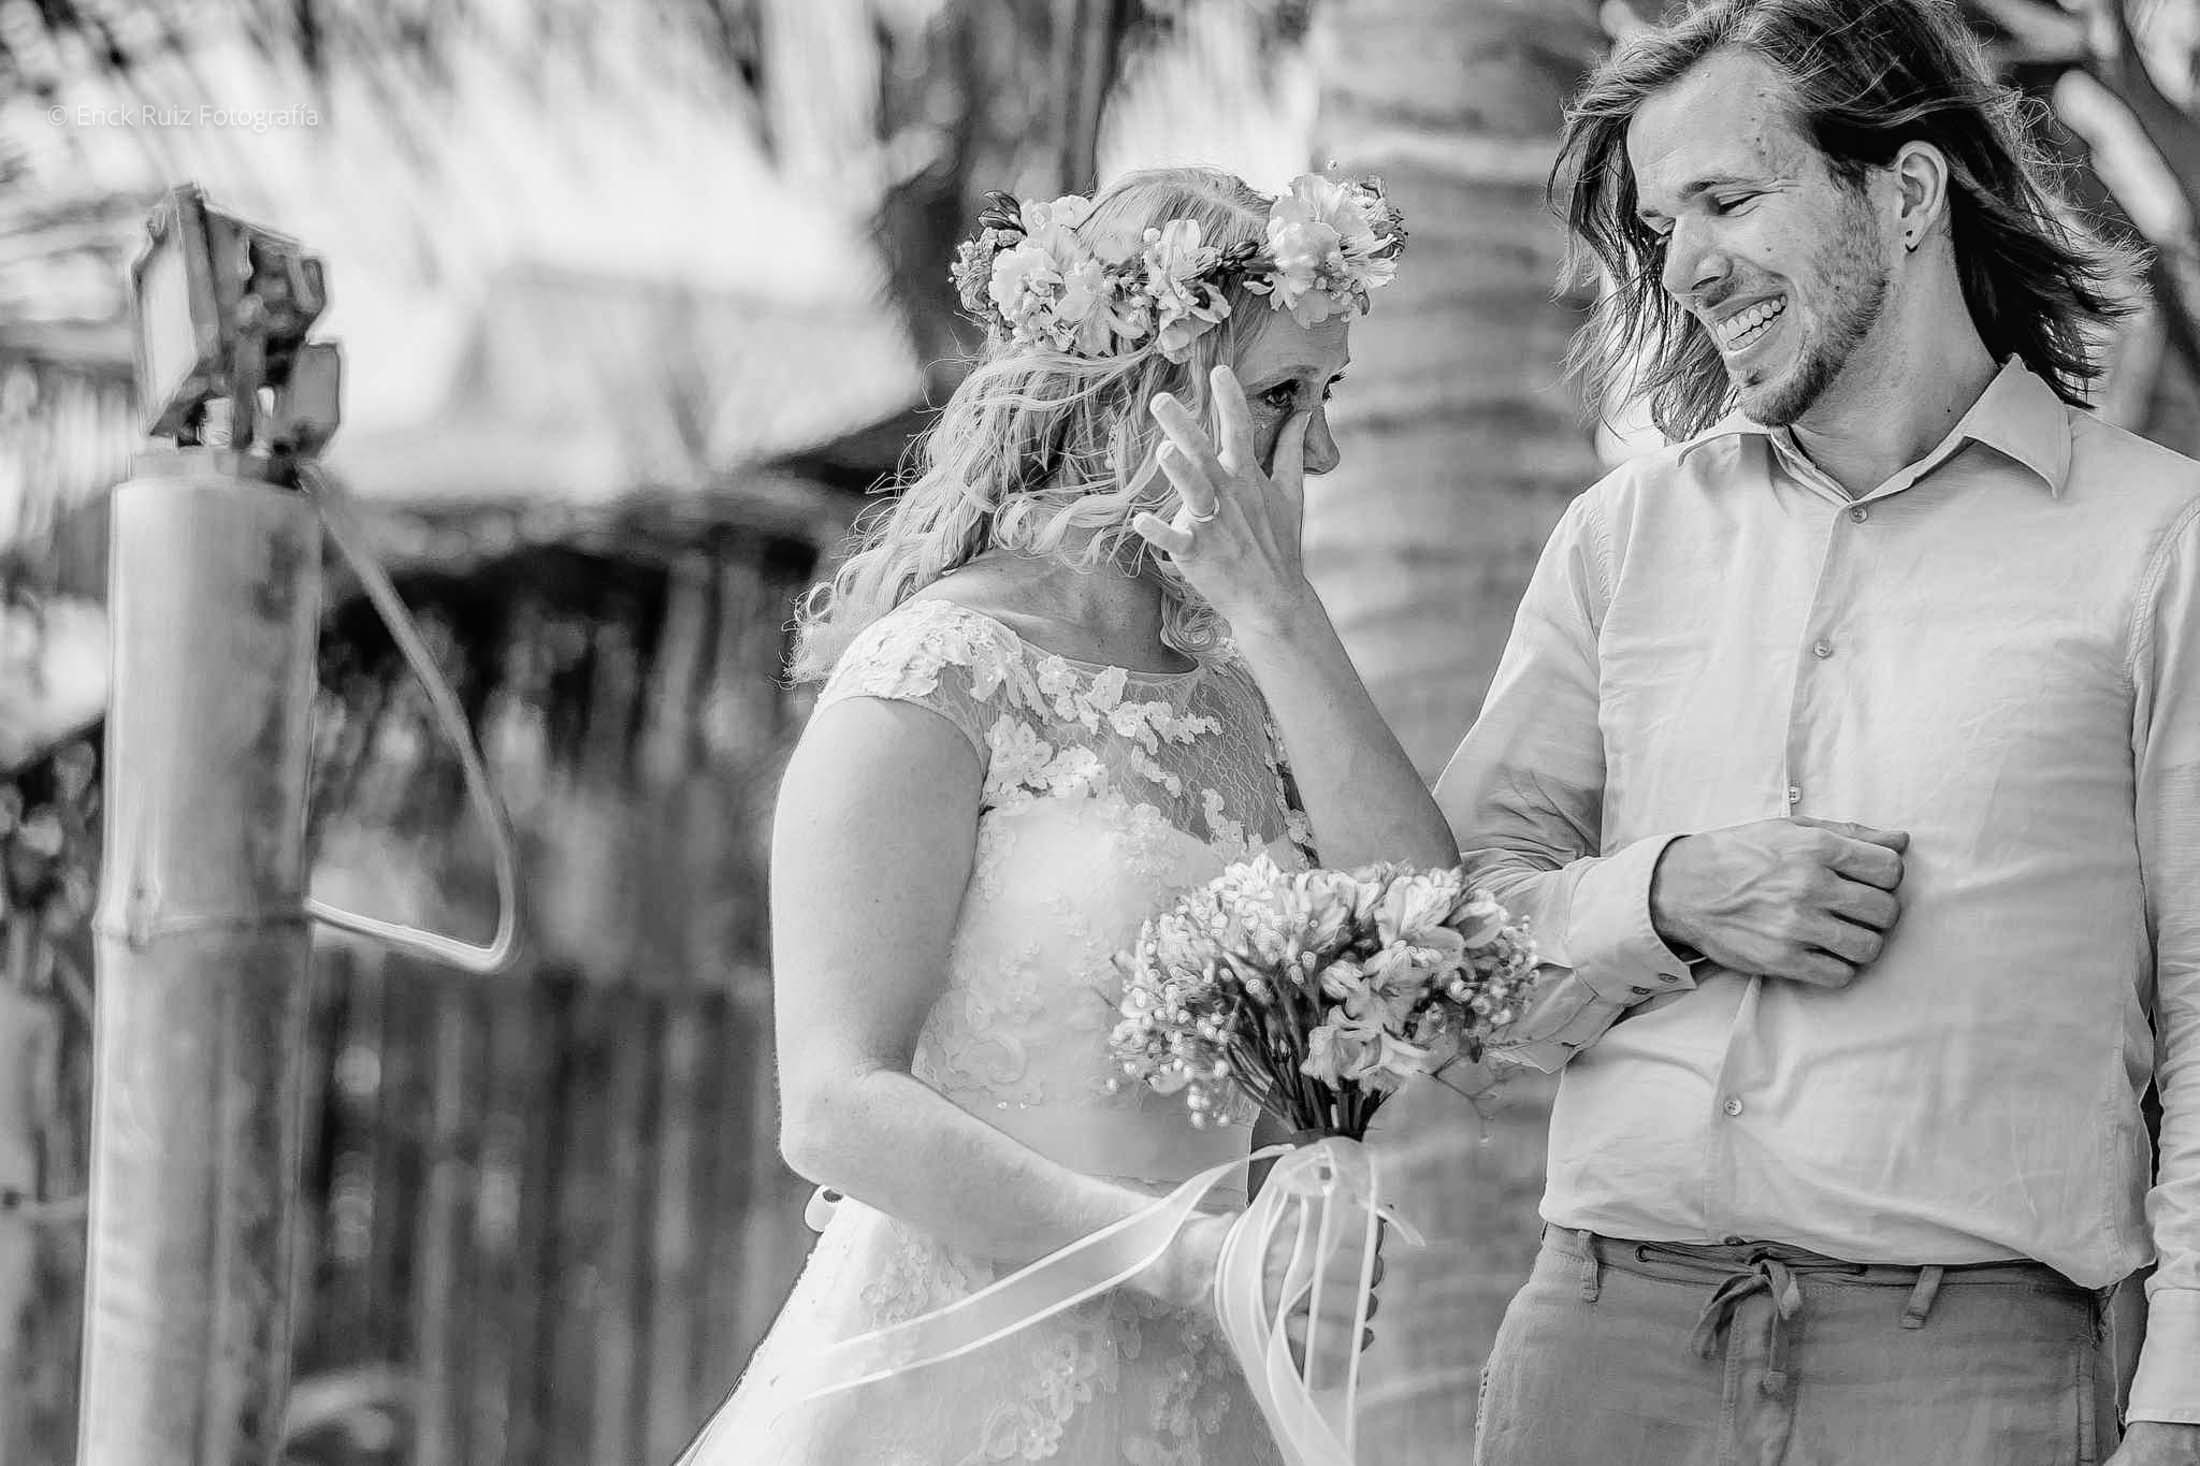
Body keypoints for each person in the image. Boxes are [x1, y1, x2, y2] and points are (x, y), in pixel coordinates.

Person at [1420, 2, 2200, 1462]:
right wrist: (1667, 897)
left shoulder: (2161, 545)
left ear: (1906, 192)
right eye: (1663, 226)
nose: (1685, 267)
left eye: (1728, 200)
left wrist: (2182, 1402)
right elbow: (1443, 959)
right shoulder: (1622, 539)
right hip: (1602, 1354)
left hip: (1971, 1376)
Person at [671, 166, 1430, 1466]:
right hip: (953, 1383)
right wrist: (1186, 1255)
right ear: (1147, 393)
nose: (1323, 451)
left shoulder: (1248, 698)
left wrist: (1280, 615)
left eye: (1328, 397)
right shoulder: (935, 674)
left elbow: (1419, 917)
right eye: (1283, 399)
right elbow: (836, 1107)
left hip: (1196, 1396)